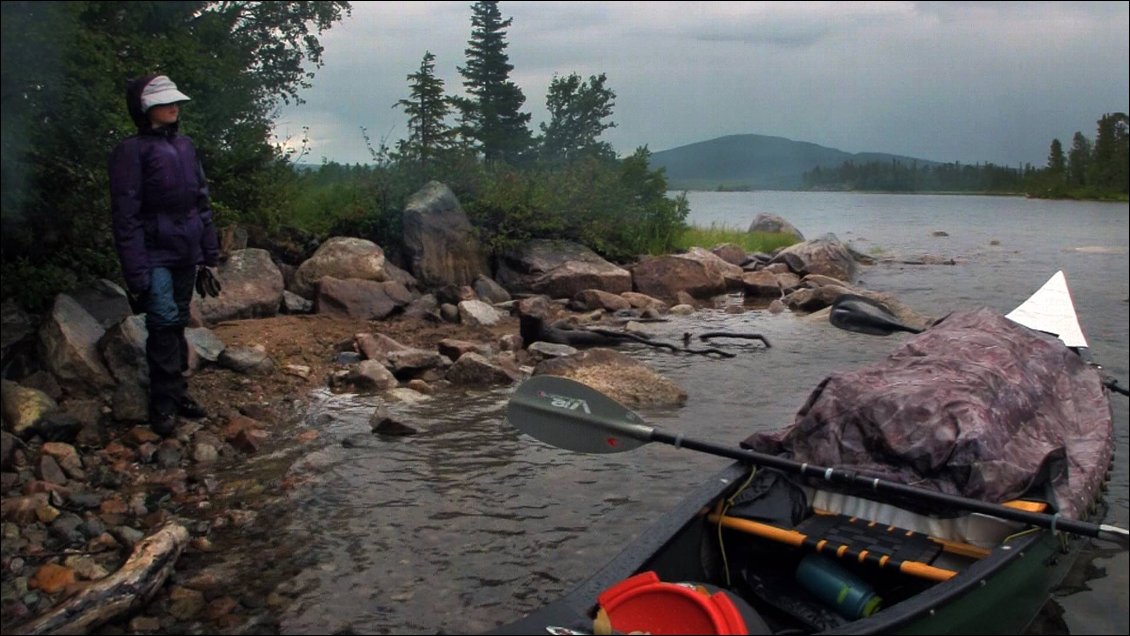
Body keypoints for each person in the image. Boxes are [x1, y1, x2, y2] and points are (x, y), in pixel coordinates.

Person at [109, 74, 220, 436]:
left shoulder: (186, 147)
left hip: (186, 251)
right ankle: (163, 404)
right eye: (166, 102)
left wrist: (209, 251)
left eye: (175, 102)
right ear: (146, 109)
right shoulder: (131, 152)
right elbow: (125, 217)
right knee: (162, 320)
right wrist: (136, 271)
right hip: (153, 252)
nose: (175, 107)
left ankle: (176, 391)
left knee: (176, 322)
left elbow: (201, 202)